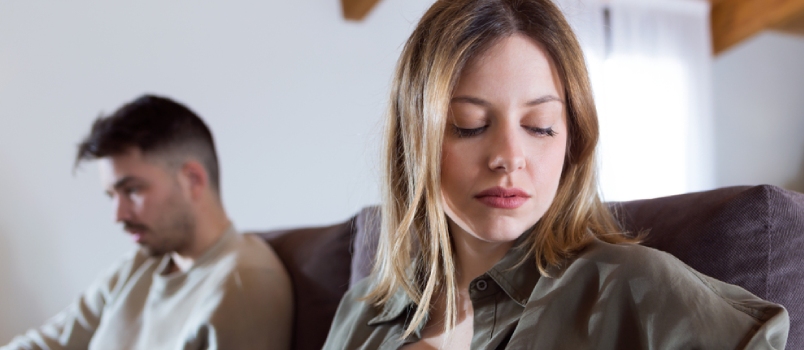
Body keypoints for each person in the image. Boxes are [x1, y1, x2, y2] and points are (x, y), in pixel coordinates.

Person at [323, 0, 789, 349]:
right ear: (414, 139)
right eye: (470, 125)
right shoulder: (360, 315)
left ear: (573, 140)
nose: (509, 156)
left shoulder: (637, 287)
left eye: (539, 127)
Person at [1, 95, 293, 350]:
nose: (118, 215)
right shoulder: (141, 264)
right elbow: (44, 343)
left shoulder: (241, 288)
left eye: (133, 190)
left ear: (193, 180)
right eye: (112, 195)